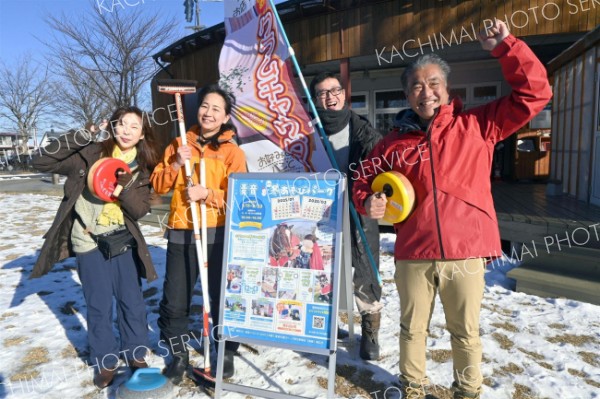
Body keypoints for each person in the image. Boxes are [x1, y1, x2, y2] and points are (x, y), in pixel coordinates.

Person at [352, 20, 552, 399]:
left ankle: (468, 391)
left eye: (433, 85)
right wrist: (368, 199)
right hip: (414, 251)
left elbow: (535, 94)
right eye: (416, 86)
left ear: (446, 90)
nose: (425, 93)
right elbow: (362, 179)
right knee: (412, 330)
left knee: (465, 331)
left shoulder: (478, 125)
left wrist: (506, 46)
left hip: (466, 250)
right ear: (407, 95)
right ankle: (411, 388)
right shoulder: (393, 143)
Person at [31, 107, 162, 389]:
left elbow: (139, 210)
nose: (127, 131)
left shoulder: (141, 166)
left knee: (132, 301)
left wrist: (125, 188)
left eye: (134, 127)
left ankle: (136, 354)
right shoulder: (89, 153)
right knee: (99, 305)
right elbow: (41, 161)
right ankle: (105, 360)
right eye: (122, 124)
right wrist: (81, 135)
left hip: (123, 241)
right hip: (88, 240)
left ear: (142, 134)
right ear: (113, 126)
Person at [150, 84, 247, 383]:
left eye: (216, 108)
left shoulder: (232, 152)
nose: (209, 112)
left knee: (221, 295)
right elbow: (158, 185)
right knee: (176, 298)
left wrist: (208, 194)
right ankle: (178, 354)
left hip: (217, 232)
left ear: (226, 116)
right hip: (183, 229)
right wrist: (178, 162)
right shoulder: (178, 144)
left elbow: (239, 198)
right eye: (205, 105)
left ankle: (226, 351)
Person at [309, 72, 384, 360]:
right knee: (320, 267)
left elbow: (378, 170)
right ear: (316, 99)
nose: (330, 97)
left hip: (358, 210)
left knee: (365, 269)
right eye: (322, 93)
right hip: (321, 211)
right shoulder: (308, 132)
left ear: (344, 93)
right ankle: (322, 322)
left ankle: (370, 330)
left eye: (334, 90)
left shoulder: (363, 130)